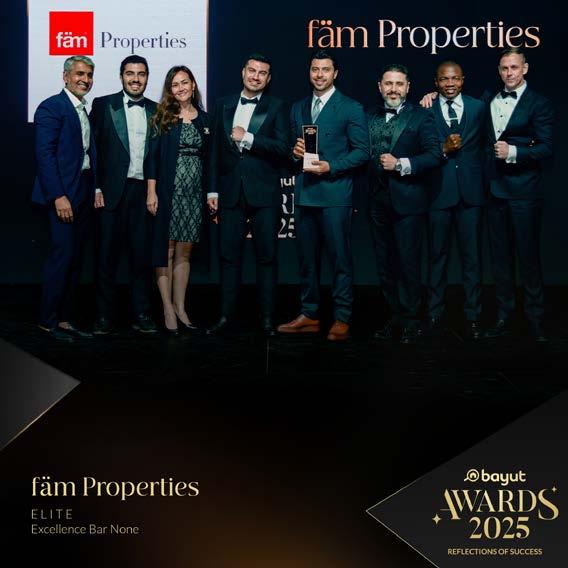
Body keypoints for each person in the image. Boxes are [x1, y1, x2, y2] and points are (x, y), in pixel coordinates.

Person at [277, 49, 369, 341]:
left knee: (340, 260)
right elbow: (293, 152)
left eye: (325, 69)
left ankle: (342, 317)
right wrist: (295, 153)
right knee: (307, 260)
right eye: (315, 69)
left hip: (335, 194)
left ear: (335, 74)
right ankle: (310, 314)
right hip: (305, 194)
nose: (319, 74)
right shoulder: (298, 107)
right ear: (309, 72)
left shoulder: (351, 107)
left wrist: (332, 166)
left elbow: (362, 152)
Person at [206, 53, 289, 336]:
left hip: (264, 193)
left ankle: (266, 319)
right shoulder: (223, 104)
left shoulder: (278, 106)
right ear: (243, 72)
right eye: (252, 70)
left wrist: (249, 138)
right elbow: (214, 151)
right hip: (230, 192)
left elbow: (284, 148)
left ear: (269, 78)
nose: (256, 76)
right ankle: (226, 317)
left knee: (267, 258)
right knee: (229, 258)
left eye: (262, 73)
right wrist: (213, 189)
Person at [367, 64, 441, 344]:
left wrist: (401, 164)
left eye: (399, 84)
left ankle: (411, 321)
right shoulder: (368, 116)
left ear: (408, 87)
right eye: (388, 84)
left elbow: (434, 155)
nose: (393, 89)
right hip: (377, 202)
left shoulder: (422, 116)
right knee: (385, 264)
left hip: (408, 202)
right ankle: (393, 318)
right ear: (380, 87)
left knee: (408, 263)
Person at [483, 48, 553, 342]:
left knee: (528, 257)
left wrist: (513, 151)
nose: (508, 72)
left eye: (513, 67)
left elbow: (546, 148)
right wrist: (431, 97)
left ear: (525, 68)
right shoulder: (488, 98)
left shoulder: (539, 103)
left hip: (524, 192)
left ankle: (535, 319)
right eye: (504, 68)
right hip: (495, 190)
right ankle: (504, 315)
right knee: (500, 259)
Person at [90, 55, 157, 335]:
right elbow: (92, 149)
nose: (135, 79)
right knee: (106, 257)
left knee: (141, 258)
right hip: (110, 193)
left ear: (147, 77)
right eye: (130, 73)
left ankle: (142, 313)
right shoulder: (103, 105)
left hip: (143, 193)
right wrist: (96, 187)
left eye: (141, 74)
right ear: (121, 76)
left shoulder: (156, 109)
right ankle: (103, 317)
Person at [32, 55, 97, 342]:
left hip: (82, 191)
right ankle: (47, 322)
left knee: (75, 258)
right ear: (66, 76)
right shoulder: (51, 107)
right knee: (62, 257)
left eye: (89, 75)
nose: (85, 79)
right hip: (63, 193)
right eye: (79, 74)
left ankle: (65, 319)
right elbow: (44, 155)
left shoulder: (83, 109)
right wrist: (58, 195)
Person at [145, 66, 211, 335]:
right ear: (170, 90)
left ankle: (181, 307)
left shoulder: (205, 120)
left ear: (193, 85)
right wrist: (151, 192)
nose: (181, 88)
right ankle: (167, 308)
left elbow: (211, 160)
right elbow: (152, 158)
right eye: (175, 84)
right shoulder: (163, 117)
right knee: (167, 250)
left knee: (185, 251)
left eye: (185, 82)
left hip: (193, 194)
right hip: (167, 192)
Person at [425, 61, 486, 339]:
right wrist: (442, 149)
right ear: (436, 82)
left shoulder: (478, 107)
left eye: (454, 79)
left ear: (462, 80)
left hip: (471, 194)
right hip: (438, 192)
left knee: (472, 258)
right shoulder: (426, 109)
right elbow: (423, 148)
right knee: (437, 256)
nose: (449, 84)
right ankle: (434, 313)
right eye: (443, 79)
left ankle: (473, 315)